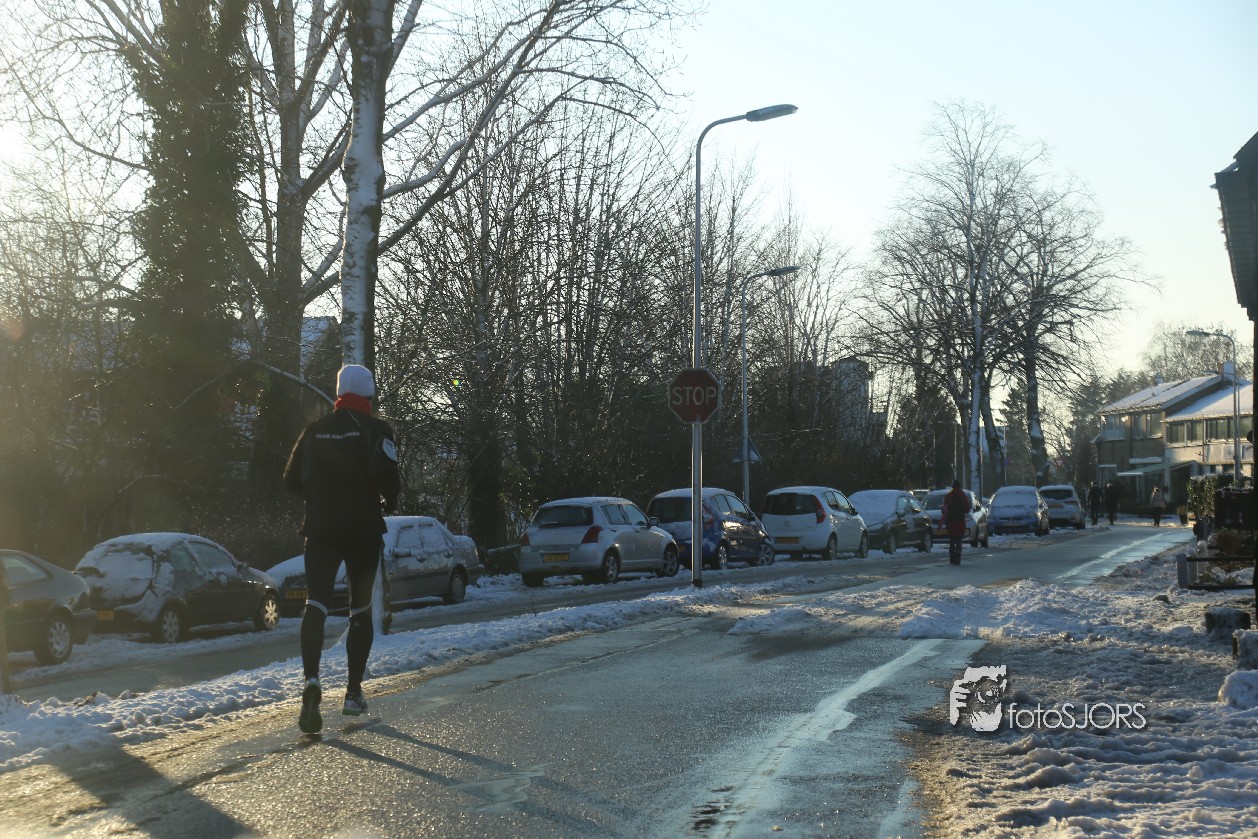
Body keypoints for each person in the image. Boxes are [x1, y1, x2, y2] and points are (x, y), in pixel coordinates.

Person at [284, 364, 400, 734]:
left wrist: (320, 495)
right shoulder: (377, 430)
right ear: (369, 395)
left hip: (321, 530)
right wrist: (389, 501)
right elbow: (390, 477)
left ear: (338, 393)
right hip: (363, 530)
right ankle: (352, 692)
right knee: (360, 610)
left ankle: (311, 681)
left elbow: (290, 481)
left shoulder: (314, 430)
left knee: (316, 604)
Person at [941, 480, 969, 566]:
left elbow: (945, 508)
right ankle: (958, 552)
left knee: (952, 538)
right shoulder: (963, 496)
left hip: (951, 521)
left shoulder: (948, 496)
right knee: (959, 537)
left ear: (952, 487)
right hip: (960, 520)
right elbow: (967, 509)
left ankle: (952, 555)